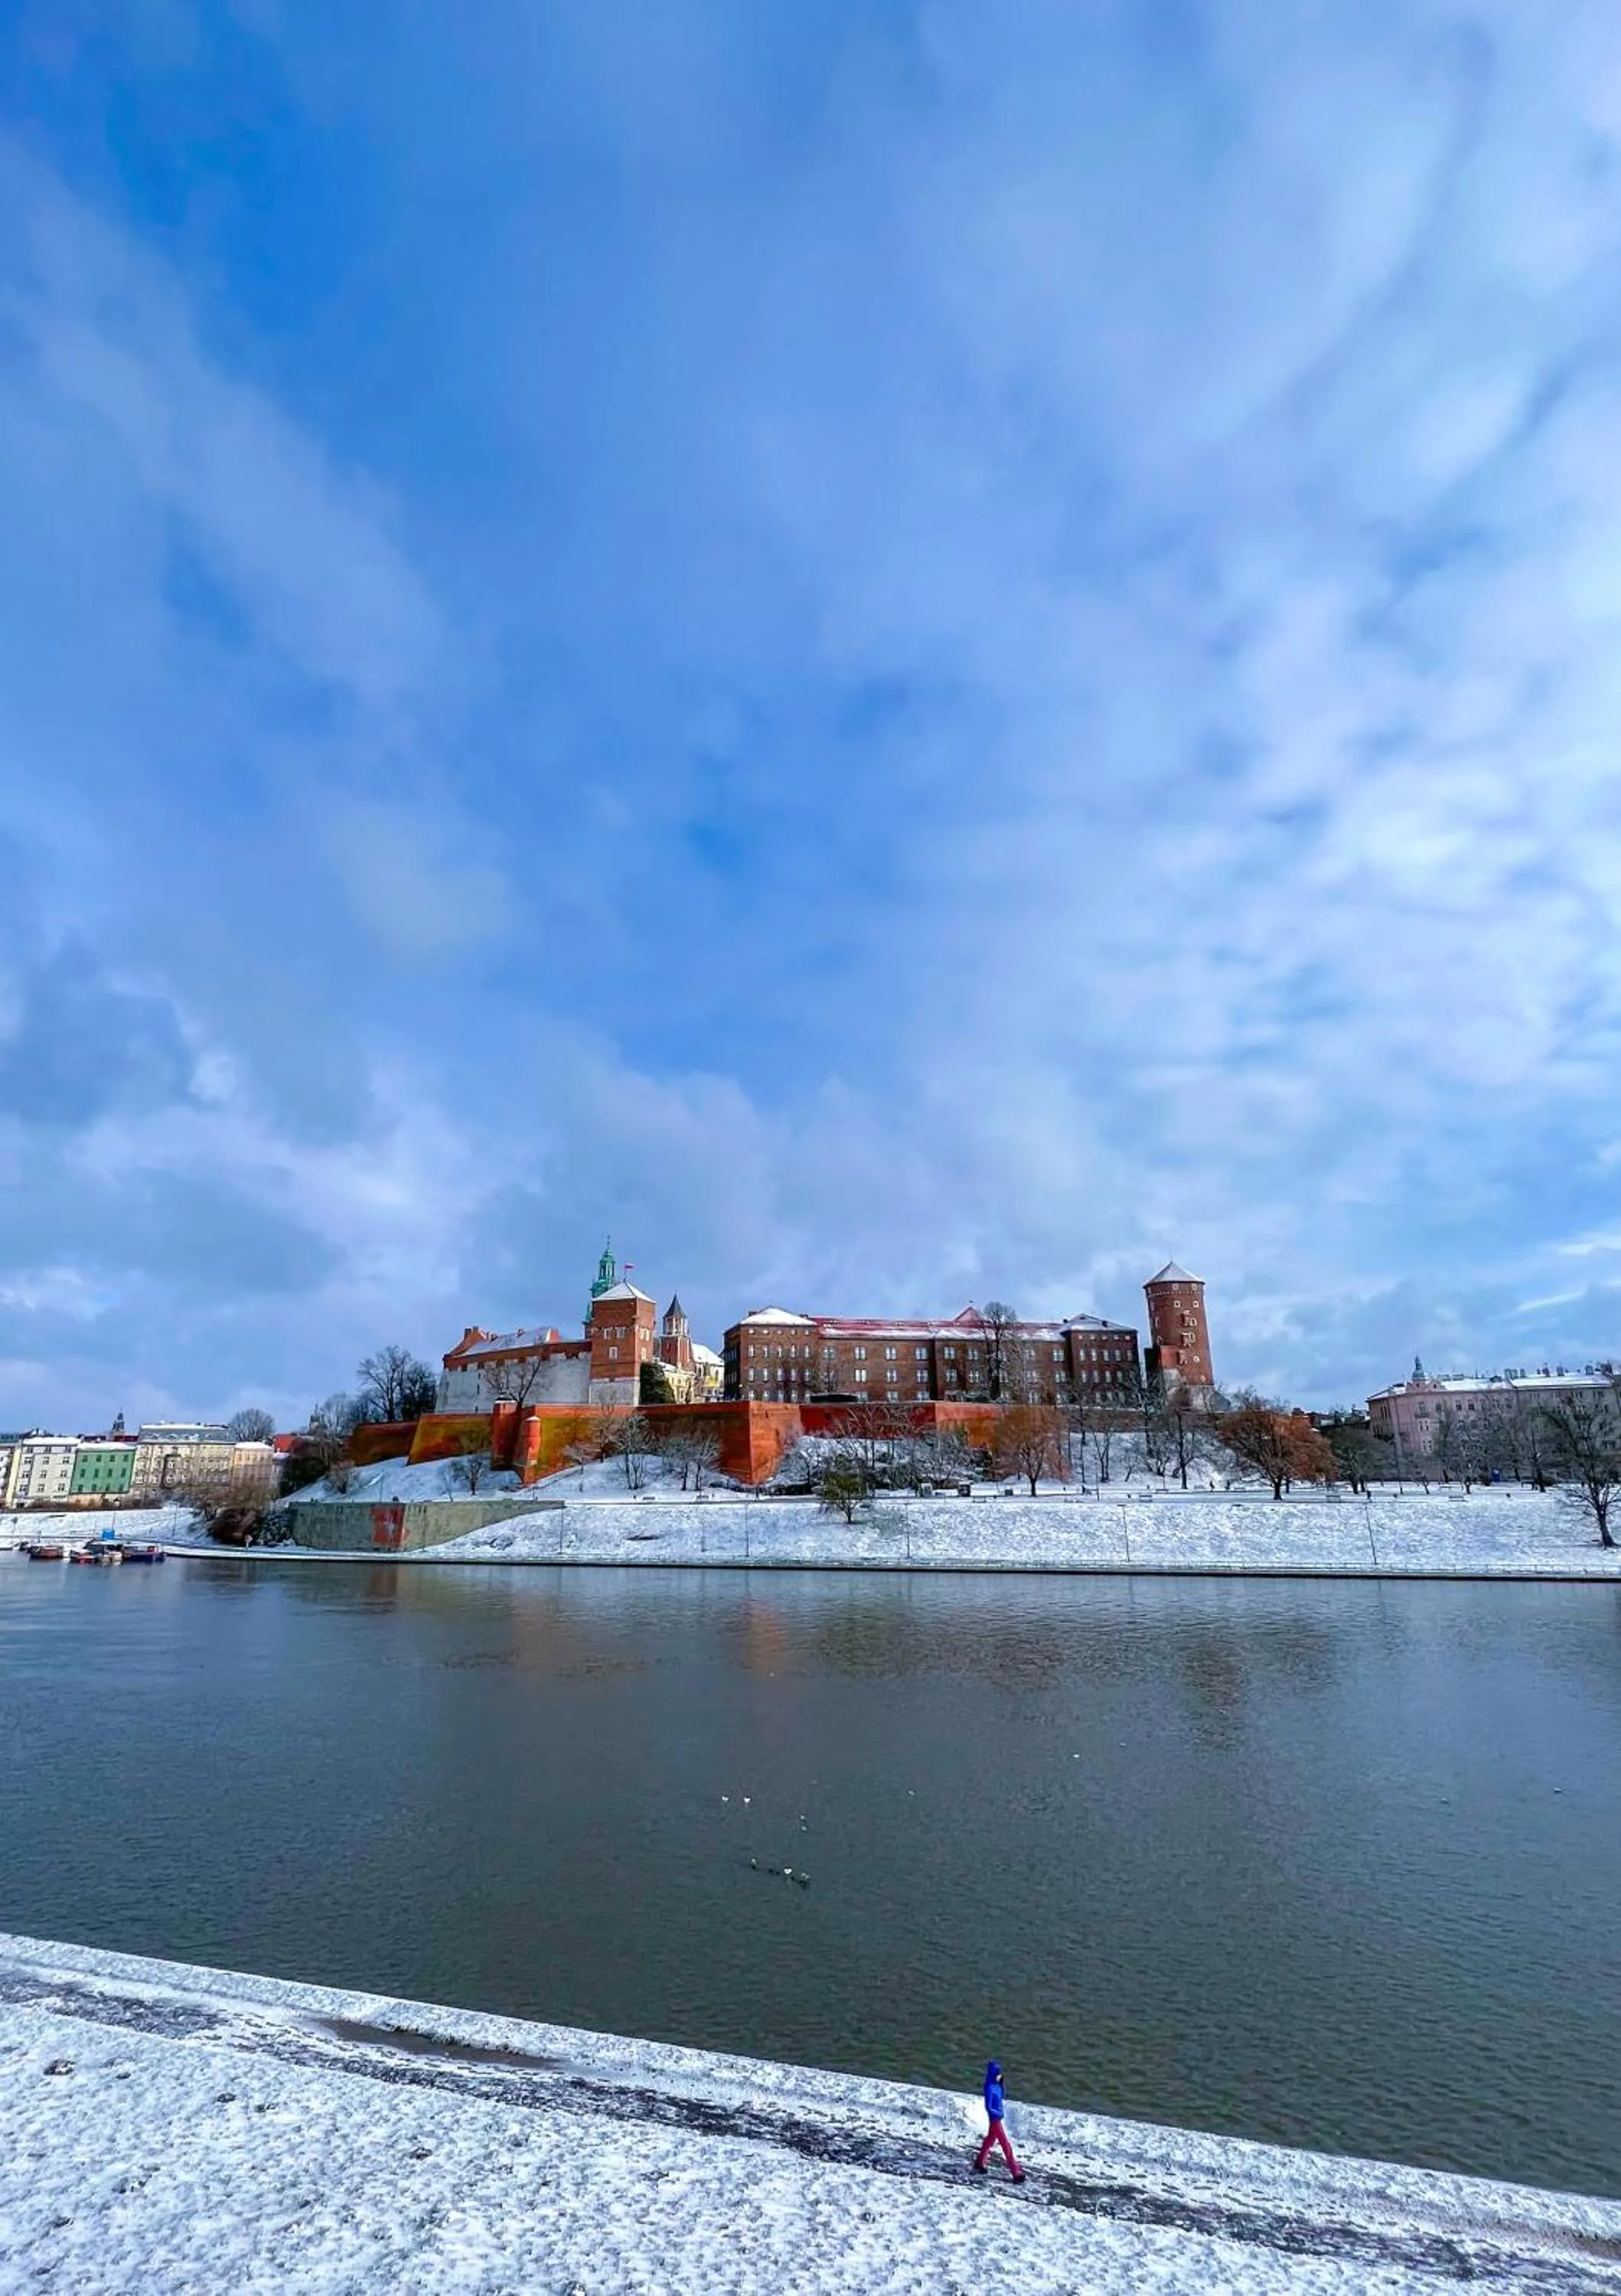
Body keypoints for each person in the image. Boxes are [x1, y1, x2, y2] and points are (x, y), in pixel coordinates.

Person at [973, 2060, 1025, 2181]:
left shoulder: (997, 2086)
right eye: (997, 2072)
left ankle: (980, 2162)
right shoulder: (989, 2088)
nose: (999, 2074)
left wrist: (1002, 2084)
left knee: (990, 2140)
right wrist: (999, 2113)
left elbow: (1002, 2097)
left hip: (998, 2118)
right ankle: (1015, 2172)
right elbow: (989, 2107)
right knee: (1006, 2145)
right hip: (995, 2119)